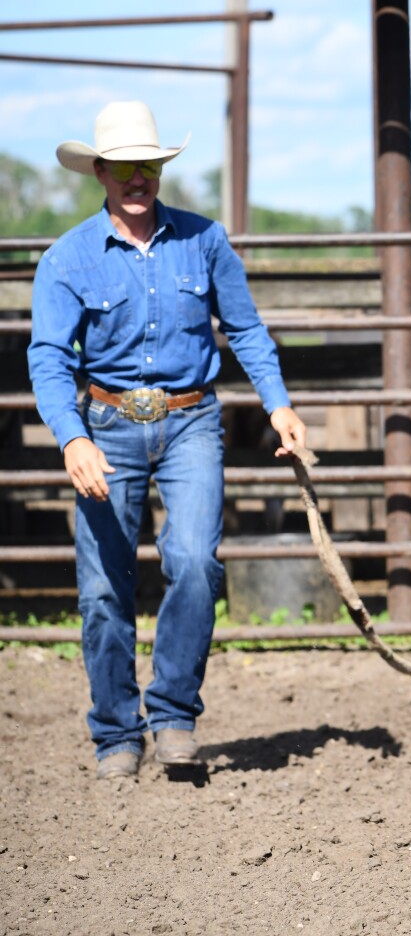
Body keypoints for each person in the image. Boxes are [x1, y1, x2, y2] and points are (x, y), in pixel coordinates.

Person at [27, 101, 307, 779]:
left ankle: (174, 711)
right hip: (106, 428)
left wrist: (279, 405)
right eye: (123, 167)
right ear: (99, 171)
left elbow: (245, 329)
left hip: (189, 422)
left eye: (146, 165)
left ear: (159, 169)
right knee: (101, 588)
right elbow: (48, 356)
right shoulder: (66, 258)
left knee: (195, 562)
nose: (136, 178)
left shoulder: (205, 241)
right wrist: (71, 439)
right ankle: (116, 730)